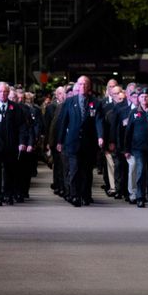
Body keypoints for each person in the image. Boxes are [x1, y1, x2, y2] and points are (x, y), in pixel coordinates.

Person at [54, 75, 104, 207]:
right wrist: (59, 141)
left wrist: (100, 136)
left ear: (89, 87)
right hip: (72, 142)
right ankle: (74, 195)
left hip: (89, 143)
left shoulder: (95, 103)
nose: (83, 87)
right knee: (74, 170)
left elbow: (99, 121)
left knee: (87, 171)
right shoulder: (70, 102)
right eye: (81, 84)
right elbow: (63, 122)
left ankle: (86, 195)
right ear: (78, 86)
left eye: (86, 85)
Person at [0, 81, 31, 206]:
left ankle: (8, 194)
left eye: (5, 92)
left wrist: (22, 142)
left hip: (11, 145)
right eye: (1, 92)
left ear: (8, 93)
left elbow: (22, 127)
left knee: (9, 171)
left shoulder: (15, 108)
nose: (3, 94)